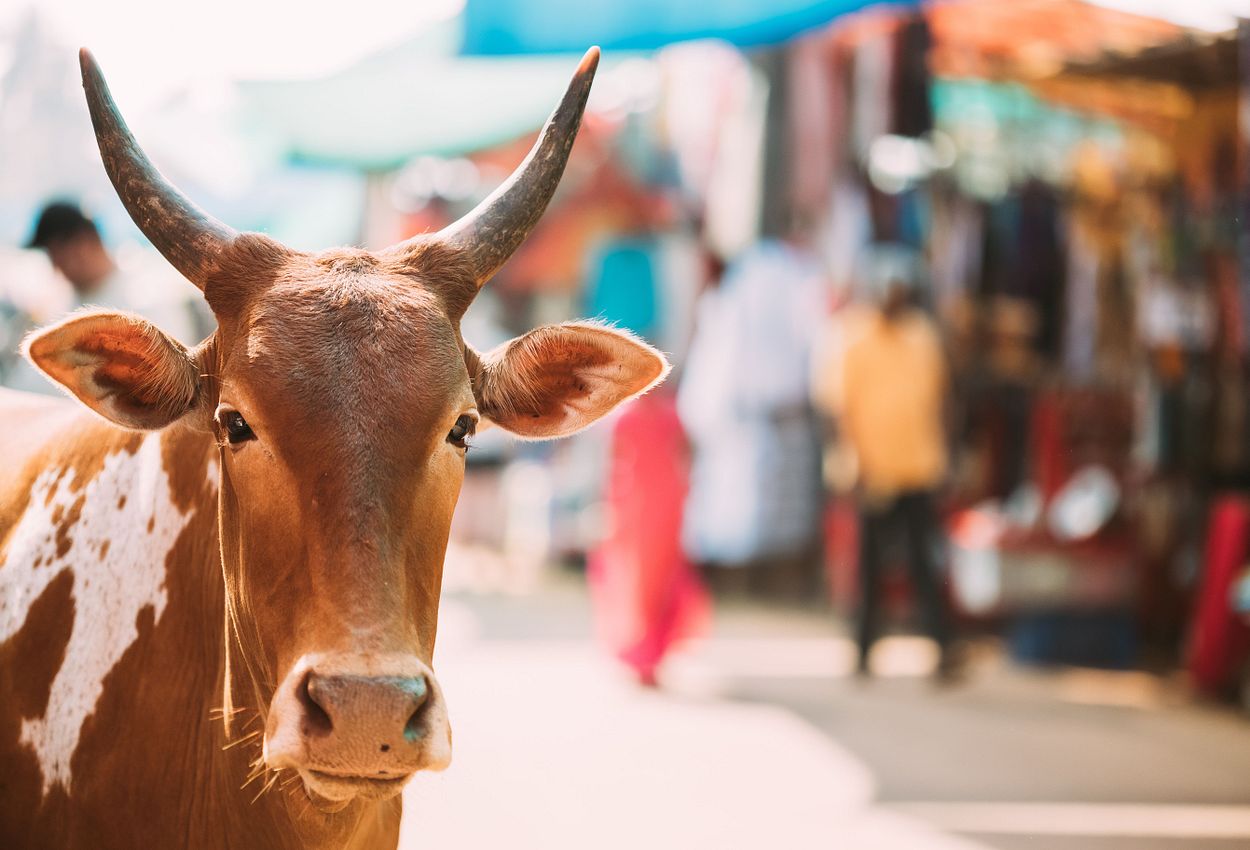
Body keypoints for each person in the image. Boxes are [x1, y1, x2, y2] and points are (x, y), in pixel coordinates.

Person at [813, 245, 958, 681]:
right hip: (871, 470)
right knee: (870, 565)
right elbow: (838, 406)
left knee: (922, 562)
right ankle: (863, 651)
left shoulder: (922, 336)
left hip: (918, 466)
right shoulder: (851, 335)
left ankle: (942, 647)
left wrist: (947, 456)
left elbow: (940, 400)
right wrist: (849, 463)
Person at [4, 201, 210, 393]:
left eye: (57, 253)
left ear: (85, 242)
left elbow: (167, 379)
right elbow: (28, 383)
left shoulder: (147, 295)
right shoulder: (57, 306)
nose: (56, 267)